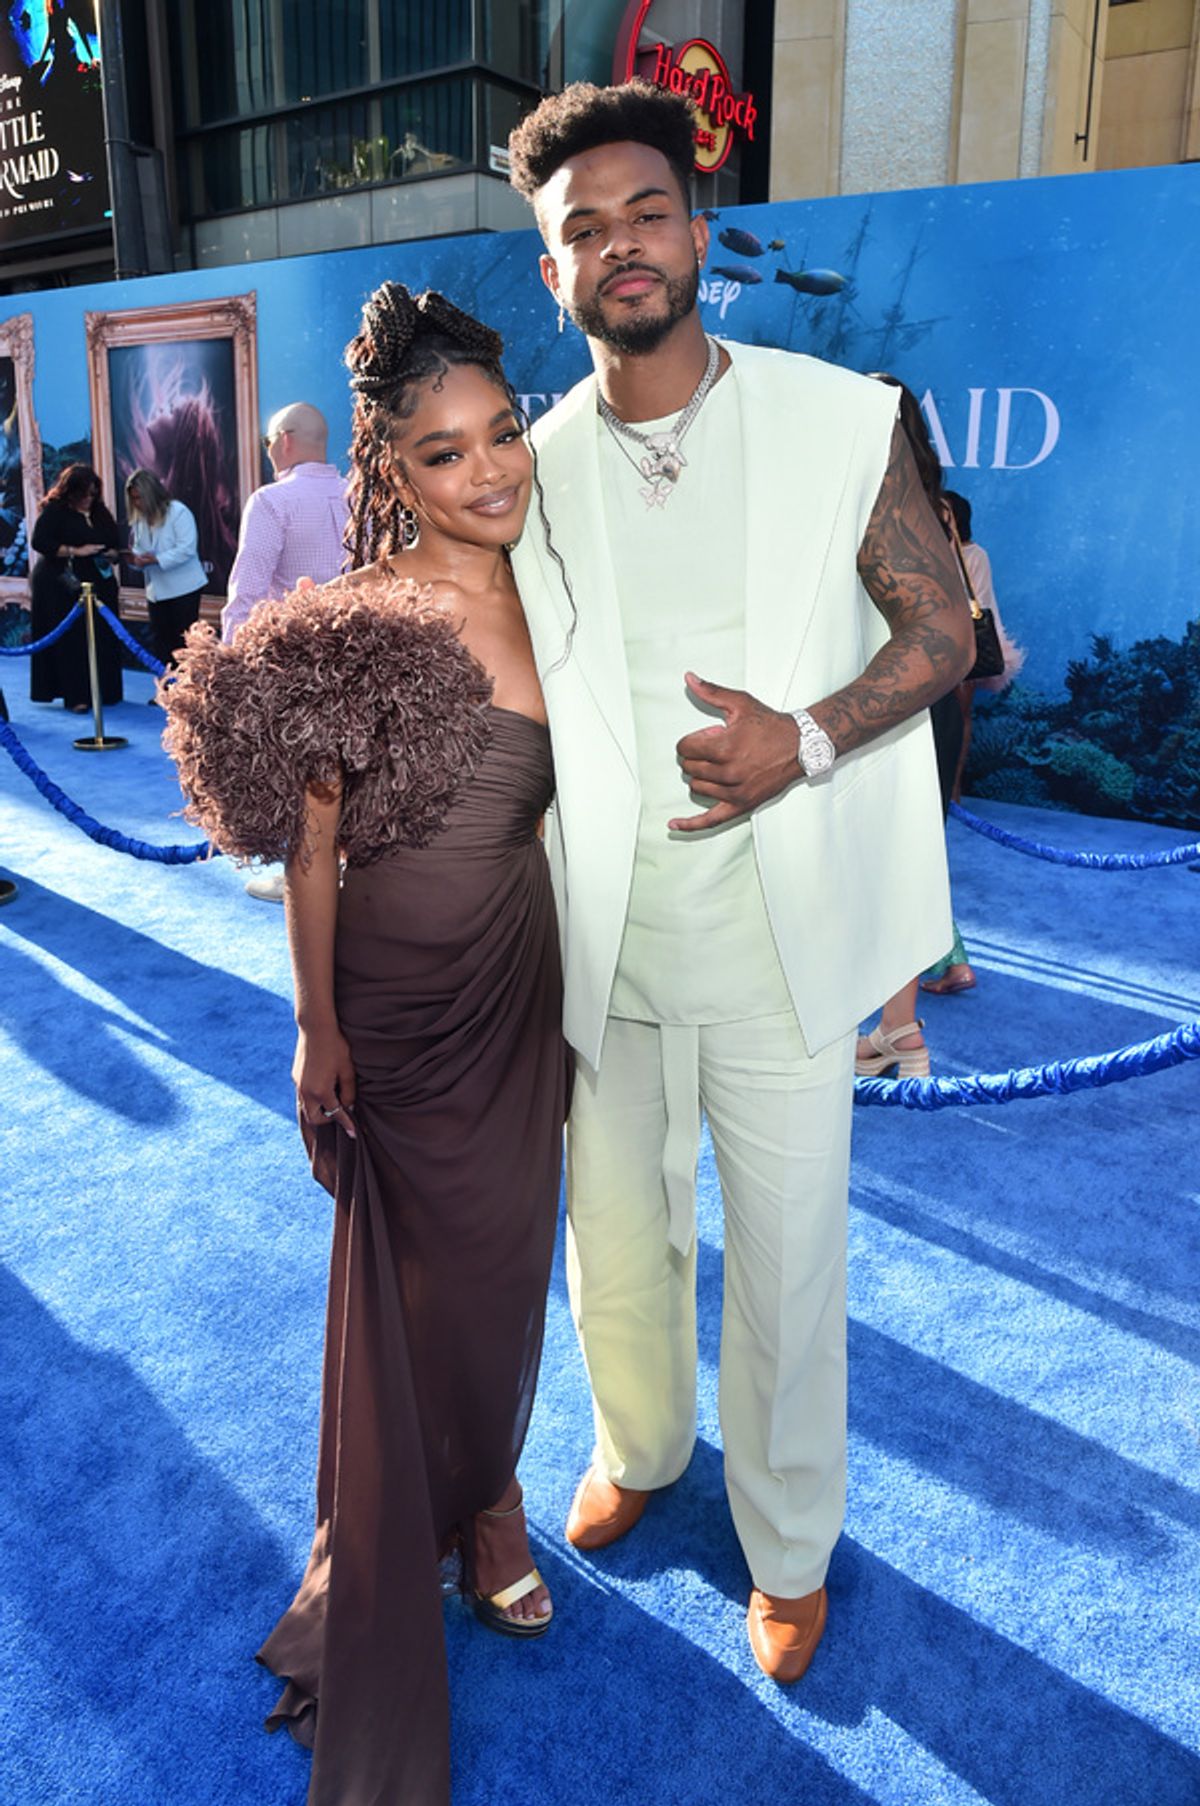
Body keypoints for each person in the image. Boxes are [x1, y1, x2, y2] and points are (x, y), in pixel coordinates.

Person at [505, 80, 975, 1685]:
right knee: (614, 1237)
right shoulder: (530, 472)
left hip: (782, 935)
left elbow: (942, 636)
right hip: (602, 942)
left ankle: (787, 1545)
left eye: (647, 214)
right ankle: (638, 1448)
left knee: (789, 1259)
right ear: (549, 271)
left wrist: (808, 740)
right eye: (585, 231)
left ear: (698, 232)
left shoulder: (839, 417)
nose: (622, 248)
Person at [162, 284, 570, 1806]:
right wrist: (316, 1026)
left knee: (507, 1262)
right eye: (448, 451)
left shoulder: (568, 592)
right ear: (387, 469)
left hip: (514, 983)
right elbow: (315, 850)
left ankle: (492, 1493)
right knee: (411, 1282)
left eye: (507, 435)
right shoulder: (361, 619)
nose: (491, 473)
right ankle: (457, 1512)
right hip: (393, 1009)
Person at [854, 374, 966, 1075]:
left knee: (870, 871)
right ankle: (899, 1030)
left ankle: (889, 1032)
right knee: (902, 868)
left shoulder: (859, 496)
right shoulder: (939, 506)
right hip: (933, 705)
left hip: (878, 705)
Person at [221, 402, 349, 902]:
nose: (268, 448)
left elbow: (248, 589)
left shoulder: (272, 501)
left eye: (269, 439)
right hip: (360, 653)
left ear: (287, 440)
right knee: (346, 763)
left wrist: (231, 664)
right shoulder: (359, 494)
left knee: (297, 768)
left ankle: (301, 873)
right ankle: (341, 866)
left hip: (291, 660)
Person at [920, 488, 1025, 996]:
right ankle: (946, 958)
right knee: (920, 840)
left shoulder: (931, 549)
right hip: (934, 691)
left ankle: (941, 965)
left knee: (909, 844)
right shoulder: (947, 547)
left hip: (922, 692)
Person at [29, 464, 123, 713]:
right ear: (71, 492)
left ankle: (106, 690)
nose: (88, 499)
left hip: (99, 582)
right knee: (72, 640)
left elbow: (115, 542)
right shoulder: (55, 511)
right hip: (61, 584)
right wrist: (75, 550)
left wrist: (111, 553)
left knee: (104, 635)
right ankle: (76, 695)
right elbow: (40, 541)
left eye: (92, 494)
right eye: (84, 494)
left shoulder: (100, 512)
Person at [123, 468, 208, 677]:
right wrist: (134, 559)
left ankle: (187, 690)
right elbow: (141, 550)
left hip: (184, 589)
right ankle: (165, 688)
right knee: (160, 640)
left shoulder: (179, 512)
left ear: (151, 494)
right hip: (156, 590)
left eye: (139, 498)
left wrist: (156, 559)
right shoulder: (140, 520)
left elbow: (187, 549)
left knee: (183, 643)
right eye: (133, 499)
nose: (137, 504)